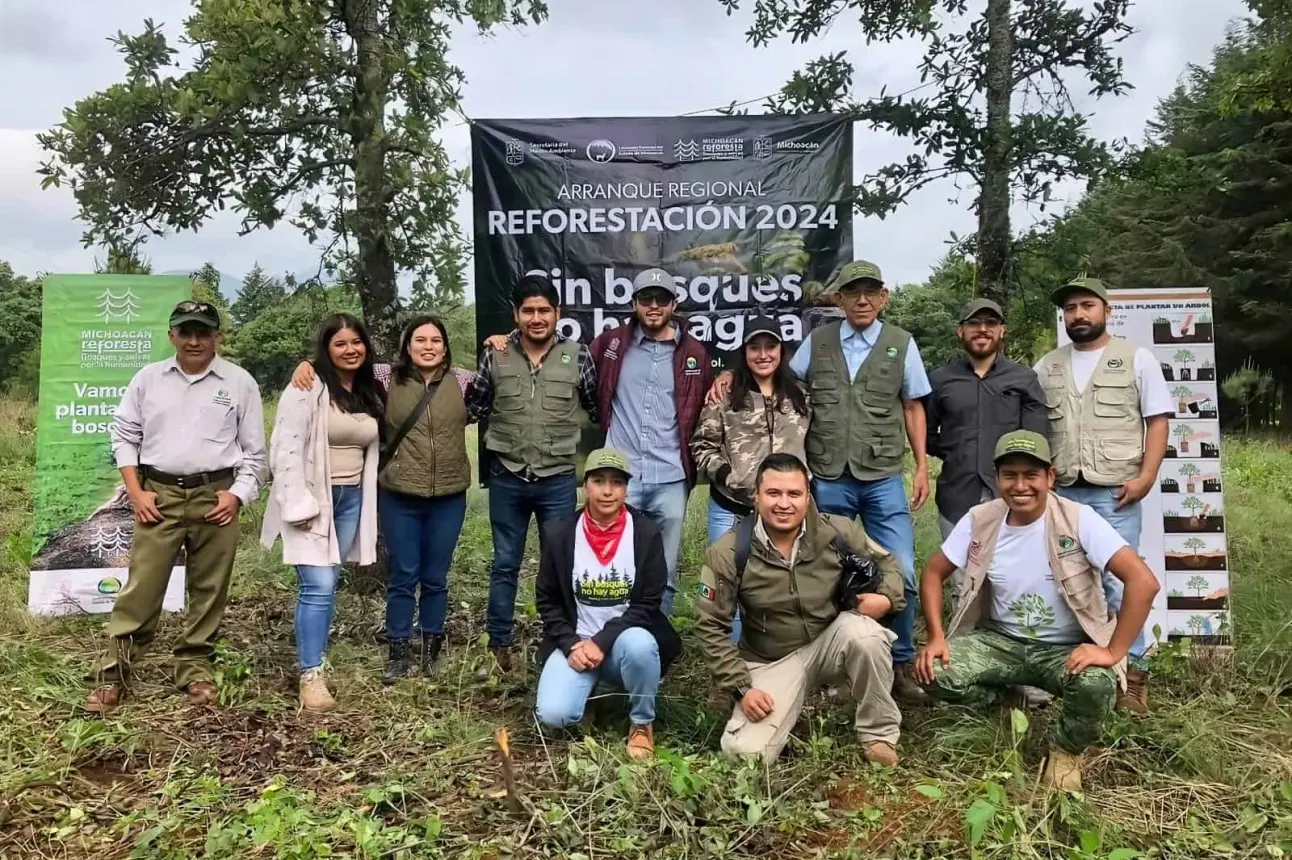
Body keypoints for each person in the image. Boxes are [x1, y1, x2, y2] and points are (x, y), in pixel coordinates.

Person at [713, 260, 933, 703]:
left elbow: (912, 406)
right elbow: (780, 382)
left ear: (884, 297)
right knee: (824, 571)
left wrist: (923, 464)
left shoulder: (900, 344)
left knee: (903, 569)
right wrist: (731, 373)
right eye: (853, 292)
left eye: (871, 291)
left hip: (882, 475)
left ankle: (901, 661)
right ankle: (827, 664)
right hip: (828, 477)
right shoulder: (819, 342)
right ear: (839, 299)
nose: (863, 299)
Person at [916, 430, 1160, 792]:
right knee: (934, 671)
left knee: (1096, 686)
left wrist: (1112, 651)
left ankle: (1065, 751)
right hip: (1001, 641)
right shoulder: (982, 519)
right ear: (997, 478)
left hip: (1065, 649)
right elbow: (933, 573)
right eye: (1009, 475)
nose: (1020, 486)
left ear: (1049, 477)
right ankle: (1006, 701)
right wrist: (937, 636)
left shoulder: (1079, 520)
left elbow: (1143, 582)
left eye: (1031, 475)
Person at [487, 267, 711, 614]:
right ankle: (606, 634)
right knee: (608, 567)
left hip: (670, 478)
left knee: (663, 571)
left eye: (662, 299)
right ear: (634, 303)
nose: (654, 306)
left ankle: (655, 644)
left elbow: (710, 397)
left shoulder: (693, 353)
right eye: (646, 299)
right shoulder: (611, 345)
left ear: (674, 304)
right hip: (619, 478)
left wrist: (728, 375)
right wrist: (506, 339)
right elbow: (563, 372)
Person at [85, 301, 266, 714]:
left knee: (209, 588)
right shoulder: (148, 380)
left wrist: (236, 496)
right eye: (186, 332)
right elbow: (124, 436)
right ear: (172, 336)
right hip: (159, 496)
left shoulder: (240, 383)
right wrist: (135, 492)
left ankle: (194, 666)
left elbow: (256, 453)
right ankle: (113, 674)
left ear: (218, 337)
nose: (195, 340)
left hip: (215, 496)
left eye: (204, 332)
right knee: (142, 587)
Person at [289, 316, 476, 684]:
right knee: (403, 575)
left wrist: (503, 340)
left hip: (449, 496)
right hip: (400, 495)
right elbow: (342, 363)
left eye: (436, 340)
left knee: (436, 577)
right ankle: (398, 652)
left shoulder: (465, 381)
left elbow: (499, 381)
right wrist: (307, 363)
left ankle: (432, 651)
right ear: (407, 346)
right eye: (419, 339)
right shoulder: (385, 377)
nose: (428, 346)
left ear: (445, 346)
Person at [696, 453, 906, 765]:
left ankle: (878, 737)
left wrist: (887, 598)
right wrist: (741, 688)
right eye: (773, 493)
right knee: (744, 756)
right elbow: (709, 626)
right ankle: (779, 711)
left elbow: (889, 565)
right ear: (756, 497)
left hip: (831, 641)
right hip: (770, 660)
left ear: (808, 497)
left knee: (867, 636)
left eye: (794, 494)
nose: (784, 504)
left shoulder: (838, 532)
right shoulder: (728, 552)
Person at [1034, 277, 1173, 714]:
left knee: (1118, 586)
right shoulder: (1048, 366)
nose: (1078, 314)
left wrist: (1147, 476)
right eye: (1071, 308)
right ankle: (1076, 674)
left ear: (1106, 310)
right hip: (1063, 496)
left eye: (1086, 305)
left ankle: (1133, 677)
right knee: (1066, 584)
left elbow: (1158, 420)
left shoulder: (1136, 360)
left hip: (1116, 493)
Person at [469, 275, 599, 672]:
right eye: (529, 311)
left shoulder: (578, 356)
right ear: (516, 314)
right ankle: (499, 647)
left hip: (558, 477)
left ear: (558, 313)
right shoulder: (495, 354)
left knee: (558, 564)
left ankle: (555, 643)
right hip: (507, 475)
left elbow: (597, 408)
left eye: (545, 310)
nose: (537, 318)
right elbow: (475, 404)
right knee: (505, 563)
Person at [263, 314, 383, 711]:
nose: (351, 350)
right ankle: (310, 675)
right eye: (340, 344)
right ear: (325, 350)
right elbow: (285, 447)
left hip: (351, 499)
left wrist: (498, 341)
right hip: (314, 500)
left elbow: (427, 364)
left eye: (357, 342)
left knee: (328, 581)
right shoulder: (307, 385)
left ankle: (314, 656)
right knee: (318, 586)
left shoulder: (368, 388)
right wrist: (297, 504)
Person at [533, 448, 681, 759]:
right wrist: (571, 643)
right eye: (598, 481)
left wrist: (602, 641)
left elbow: (650, 601)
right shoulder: (560, 533)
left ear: (626, 488)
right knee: (554, 715)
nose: (607, 490)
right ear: (585, 485)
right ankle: (588, 697)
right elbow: (547, 598)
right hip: (576, 646)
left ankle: (642, 722)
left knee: (641, 645)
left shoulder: (644, 533)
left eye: (616, 482)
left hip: (622, 644)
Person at [691, 314, 810, 644]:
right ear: (743, 352)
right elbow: (702, 445)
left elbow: (813, 445)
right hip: (732, 506)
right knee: (726, 584)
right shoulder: (726, 396)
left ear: (781, 350)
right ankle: (729, 661)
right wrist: (730, 477)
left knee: (783, 583)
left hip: (785, 510)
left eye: (770, 346)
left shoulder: (800, 396)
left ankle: (777, 654)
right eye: (754, 347)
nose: (763, 354)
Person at [927, 298, 1048, 580]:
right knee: (961, 582)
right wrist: (958, 453)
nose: (982, 329)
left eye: (990, 323)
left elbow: (1036, 440)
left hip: (1012, 495)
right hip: (957, 494)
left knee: (1013, 577)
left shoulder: (1024, 379)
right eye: (974, 323)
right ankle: (964, 627)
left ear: (1002, 330)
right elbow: (927, 435)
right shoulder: (940, 380)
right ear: (960, 331)